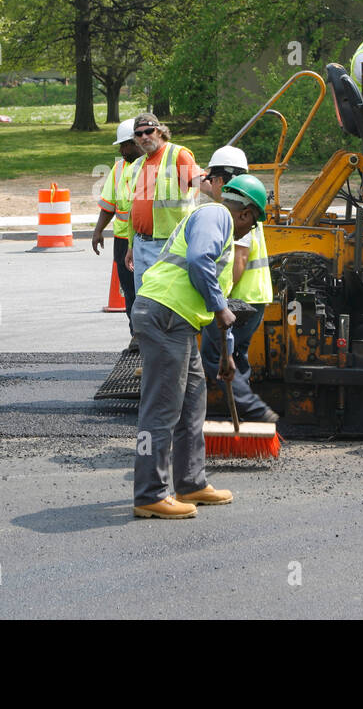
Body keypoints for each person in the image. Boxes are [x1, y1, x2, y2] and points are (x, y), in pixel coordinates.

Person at [130, 174, 267, 519]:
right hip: (163, 315)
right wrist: (220, 309)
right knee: (162, 408)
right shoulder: (216, 216)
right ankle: (150, 494)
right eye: (252, 225)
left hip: (179, 321)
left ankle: (190, 482)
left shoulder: (218, 223)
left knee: (192, 402)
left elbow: (217, 305)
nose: (247, 233)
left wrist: (226, 354)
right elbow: (197, 260)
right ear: (246, 215)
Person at [195, 146, 278, 423]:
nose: (209, 185)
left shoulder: (234, 212)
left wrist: (219, 301)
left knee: (215, 354)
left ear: (221, 180)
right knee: (236, 357)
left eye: (212, 179)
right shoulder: (245, 202)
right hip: (255, 295)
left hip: (239, 298)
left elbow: (238, 261)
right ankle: (249, 412)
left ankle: (252, 409)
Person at [124, 113, 206, 296]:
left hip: (168, 244)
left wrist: (225, 195)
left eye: (149, 131)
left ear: (159, 131)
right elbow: (133, 209)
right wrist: (131, 246)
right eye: (139, 134)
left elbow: (202, 183)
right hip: (140, 244)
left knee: (167, 301)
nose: (144, 136)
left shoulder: (178, 155)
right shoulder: (137, 165)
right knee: (144, 301)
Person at [91, 120, 144, 346]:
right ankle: (136, 336)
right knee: (130, 291)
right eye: (121, 146)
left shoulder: (153, 167)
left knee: (148, 291)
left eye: (126, 145)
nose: (122, 151)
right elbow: (109, 204)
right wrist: (98, 231)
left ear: (138, 142)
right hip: (123, 242)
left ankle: (149, 337)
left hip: (146, 239)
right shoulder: (119, 168)